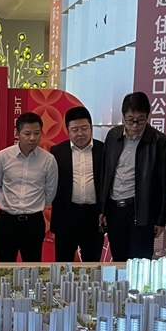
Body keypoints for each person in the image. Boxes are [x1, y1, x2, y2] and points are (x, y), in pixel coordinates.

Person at [99, 92, 166, 261]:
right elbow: (105, 173)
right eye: (130, 119)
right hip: (115, 209)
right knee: (118, 260)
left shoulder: (159, 141)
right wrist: (102, 209)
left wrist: (161, 220)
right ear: (123, 116)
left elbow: (164, 183)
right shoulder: (113, 136)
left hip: (141, 210)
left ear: (147, 116)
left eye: (141, 119)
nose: (135, 125)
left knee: (139, 262)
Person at [0, 112, 58, 262]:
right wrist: (8, 203)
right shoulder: (3, 156)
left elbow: (50, 191)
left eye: (37, 133)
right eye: (27, 133)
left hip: (33, 222)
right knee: (5, 266)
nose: (32, 138)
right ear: (17, 133)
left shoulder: (49, 160)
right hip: (7, 221)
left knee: (32, 266)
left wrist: (34, 206)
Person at [50, 106, 105, 263]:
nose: (80, 133)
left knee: (92, 264)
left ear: (91, 128)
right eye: (75, 129)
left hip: (93, 217)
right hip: (67, 216)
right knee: (63, 264)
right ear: (68, 130)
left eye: (84, 128)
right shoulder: (57, 152)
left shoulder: (103, 150)